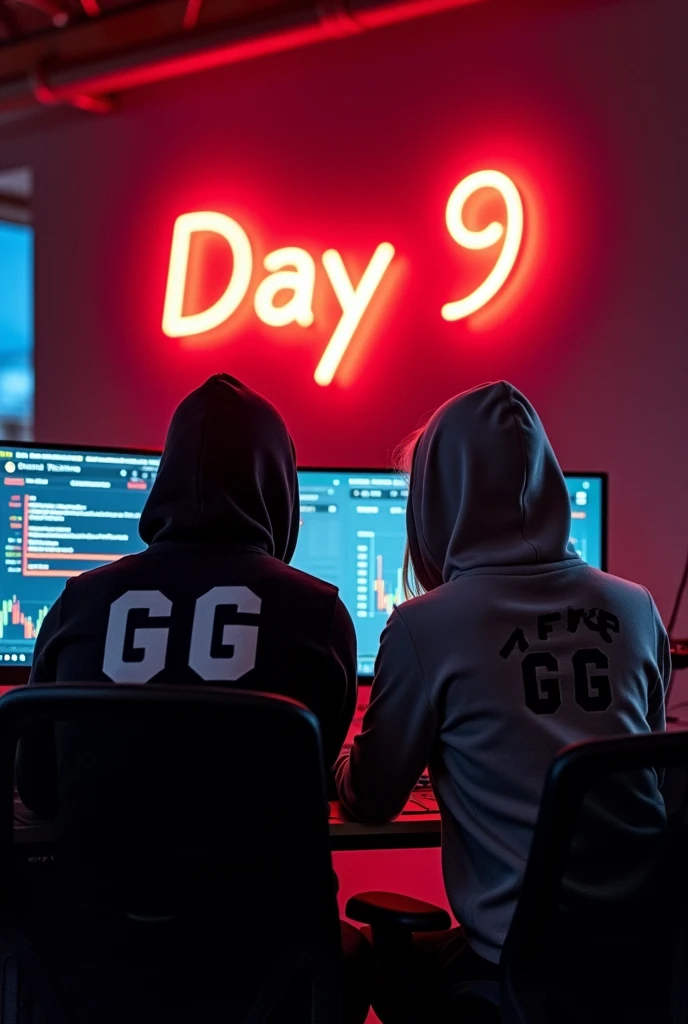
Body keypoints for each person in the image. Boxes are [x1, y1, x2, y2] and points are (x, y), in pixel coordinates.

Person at [17, 373, 372, 1024]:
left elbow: (37, 788)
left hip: (94, 961)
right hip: (264, 970)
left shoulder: (78, 600)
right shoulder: (317, 612)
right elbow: (312, 782)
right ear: (280, 490)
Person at [336, 380, 671, 1023]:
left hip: (513, 968)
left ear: (434, 501)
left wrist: (349, 758)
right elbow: (643, 772)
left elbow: (371, 798)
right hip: (644, 957)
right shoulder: (636, 607)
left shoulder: (425, 626)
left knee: (376, 956)